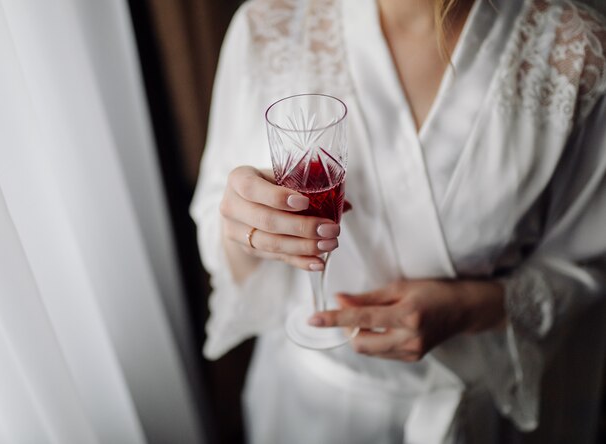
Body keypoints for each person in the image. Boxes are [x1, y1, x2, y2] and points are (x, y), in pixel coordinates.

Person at [190, 0, 606, 442]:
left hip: (467, 415)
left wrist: (472, 307)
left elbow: (587, 264)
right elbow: (219, 222)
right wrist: (244, 231)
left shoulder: (576, 49)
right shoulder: (267, 26)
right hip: (307, 409)